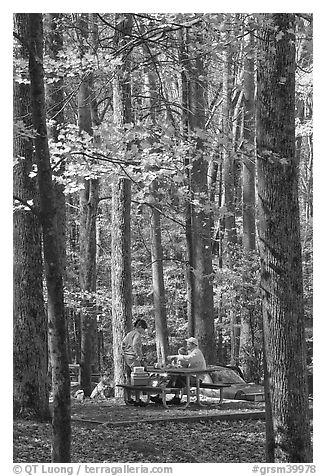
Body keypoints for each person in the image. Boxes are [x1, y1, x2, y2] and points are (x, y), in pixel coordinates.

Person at [150, 337, 207, 405]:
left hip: (197, 378)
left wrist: (176, 356)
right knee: (175, 376)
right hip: (191, 375)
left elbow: (188, 359)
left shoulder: (197, 352)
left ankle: (162, 395)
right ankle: (173, 397)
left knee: (175, 377)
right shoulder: (191, 352)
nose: (187, 345)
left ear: (194, 345)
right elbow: (185, 363)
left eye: (189, 344)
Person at [122, 319, 148, 406]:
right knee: (138, 378)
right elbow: (135, 345)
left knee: (129, 378)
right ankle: (137, 400)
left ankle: (129, 398)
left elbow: (123, 344)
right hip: (133, 358)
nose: (144, 331)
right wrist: (139, 355)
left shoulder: (129, 334)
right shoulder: (137, 334)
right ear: (140, 327)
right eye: (143, 329)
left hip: (127, 358)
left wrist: (125, 353)